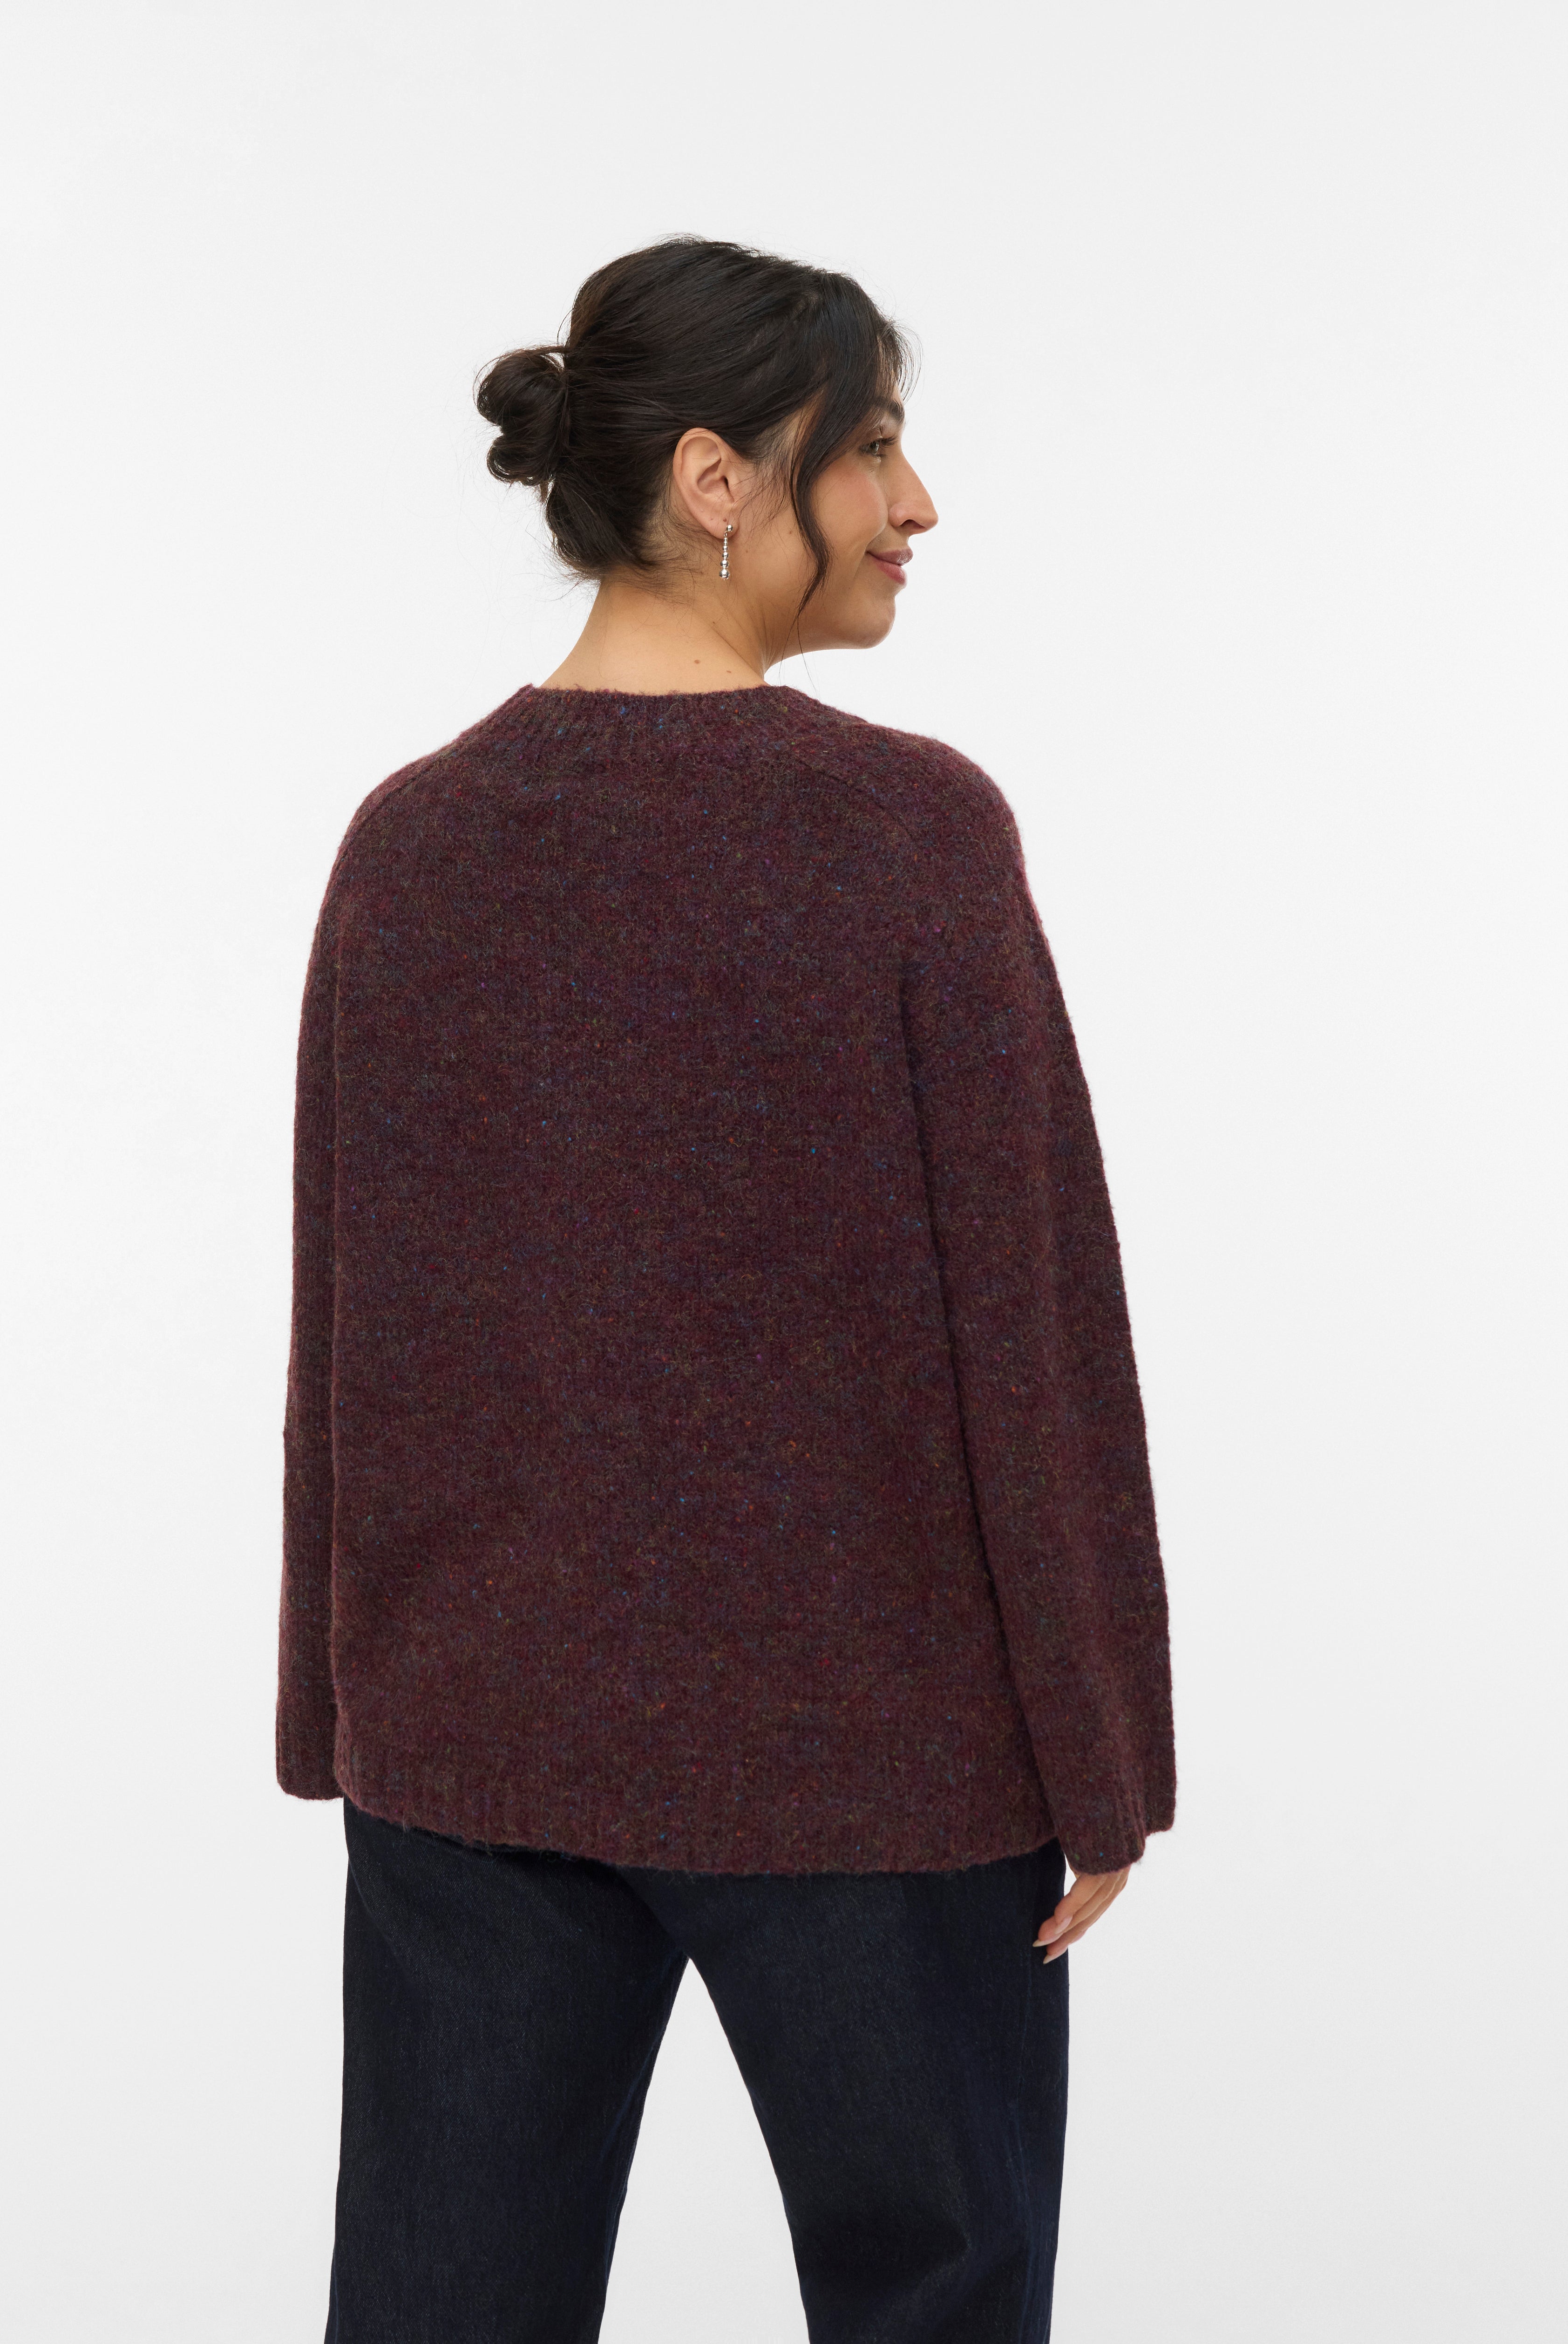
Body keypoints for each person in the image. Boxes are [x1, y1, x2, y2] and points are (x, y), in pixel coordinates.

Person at [278, 235, 1176, 2344]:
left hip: (476, 1746)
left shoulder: (411, 840)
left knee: (439, 2311)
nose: (914, 504)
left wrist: (343, 1713)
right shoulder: (906, 836)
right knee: (933, 2299)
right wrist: (1099, 1750)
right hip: (880, 1758)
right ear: (714, 479)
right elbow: (1030, 1326)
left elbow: (352, 1331)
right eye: (870, 449)